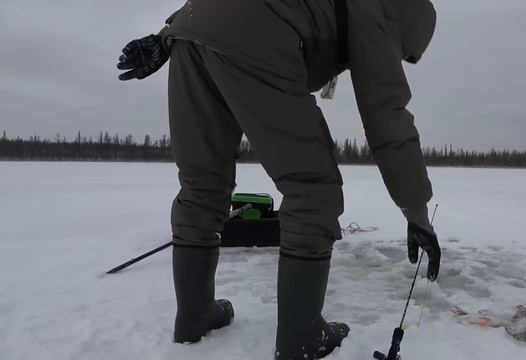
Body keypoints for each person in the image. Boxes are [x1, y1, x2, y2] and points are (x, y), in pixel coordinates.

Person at [117, 0, 441, 358]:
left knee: (202, 183)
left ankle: (194, 318)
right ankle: (302, 337)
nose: (399, 60)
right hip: (254, 33)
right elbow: (386, 113)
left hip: (192, 28)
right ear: (406, 23)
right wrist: (417, 214)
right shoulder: (379, 11)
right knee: (313, 188)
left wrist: (166, 36)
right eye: (405, 54)